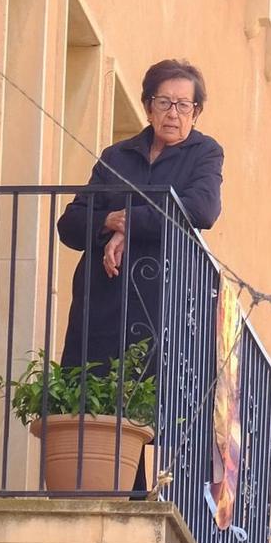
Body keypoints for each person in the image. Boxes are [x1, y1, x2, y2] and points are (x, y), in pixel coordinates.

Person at [55, 57, 224, 374]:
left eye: (183, 105)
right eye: (164, 102)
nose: (173, 113)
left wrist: (129, 223)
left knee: (150, 397)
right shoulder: (117, 156)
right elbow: (70, 223)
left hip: (164, 301)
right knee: (88, 388)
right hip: (103, 299)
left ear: (196, 113)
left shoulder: (205, 152)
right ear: (148, 108)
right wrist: (110, 221)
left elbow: (203, 208)